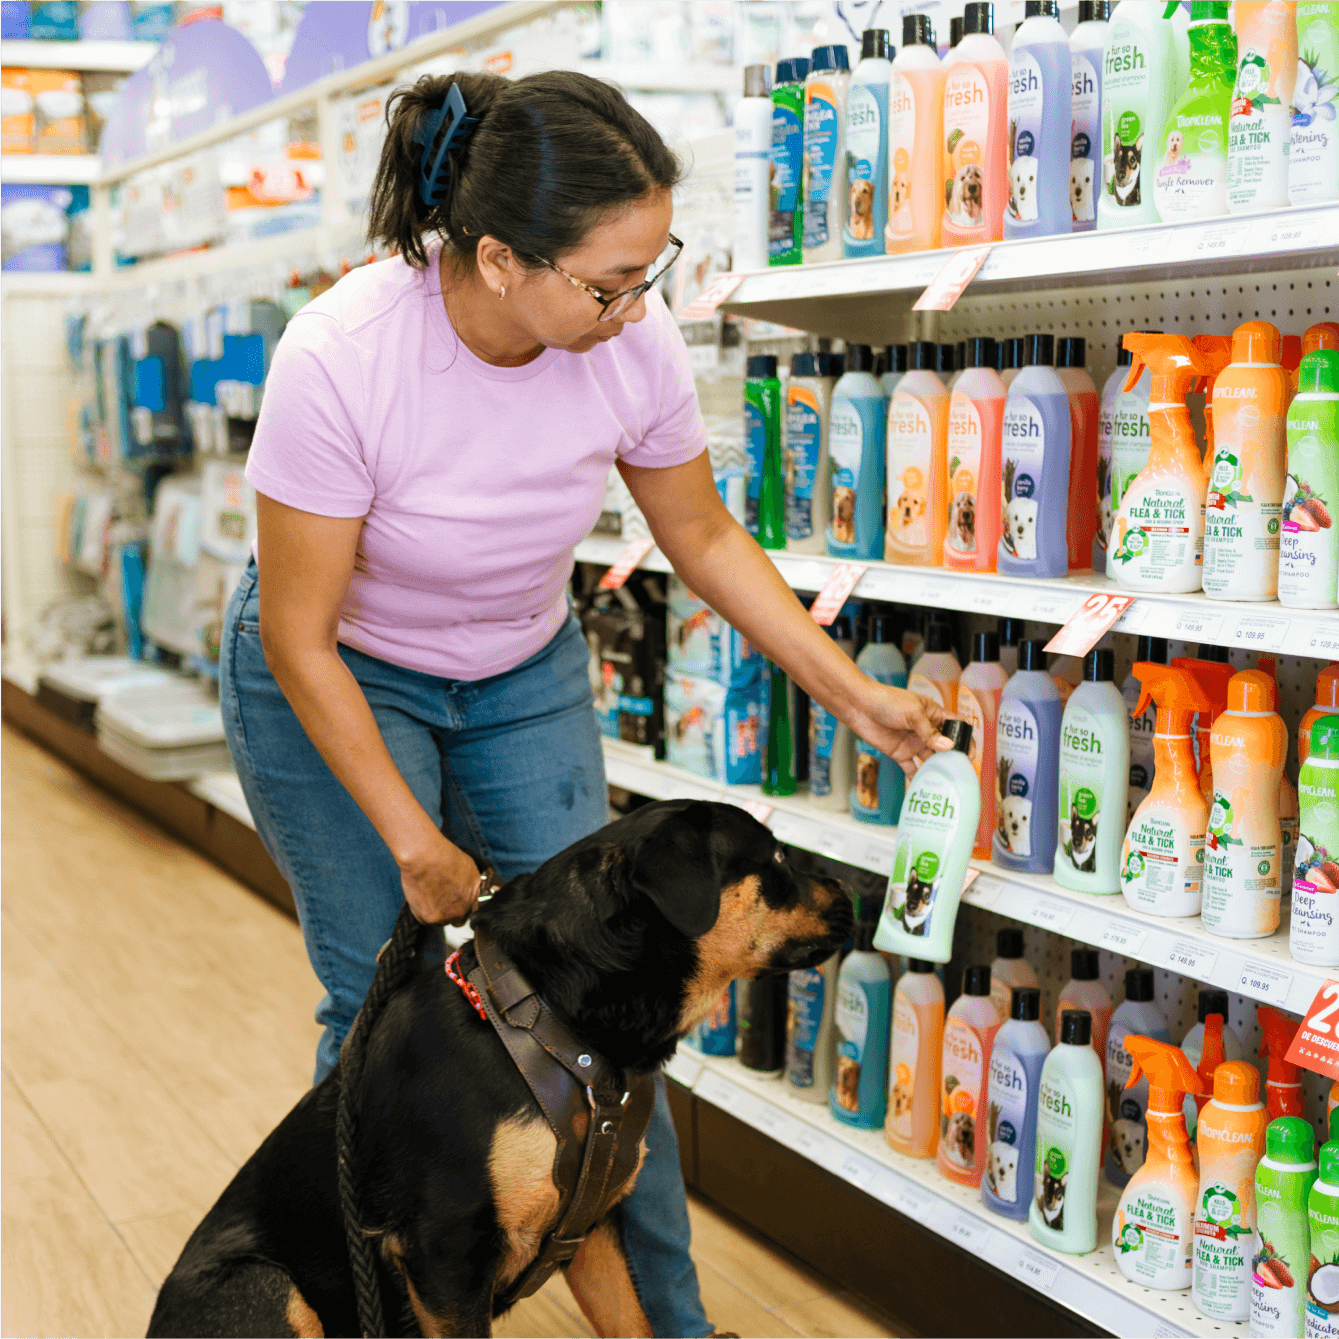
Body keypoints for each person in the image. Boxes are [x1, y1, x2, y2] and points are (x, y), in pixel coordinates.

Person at [220, 68, 948, 1338]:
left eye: (650, 272)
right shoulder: (343, 354)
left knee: (619, 1014)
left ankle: (674, 1328)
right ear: (499, 260)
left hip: (518, 664)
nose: (634, 308)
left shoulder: (631, 341)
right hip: (340, 670)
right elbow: (297, 635)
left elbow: (703, 535)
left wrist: (852, 695)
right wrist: (412, 841)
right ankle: (380, 1311)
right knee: (375, 1001)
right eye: (608, 282)